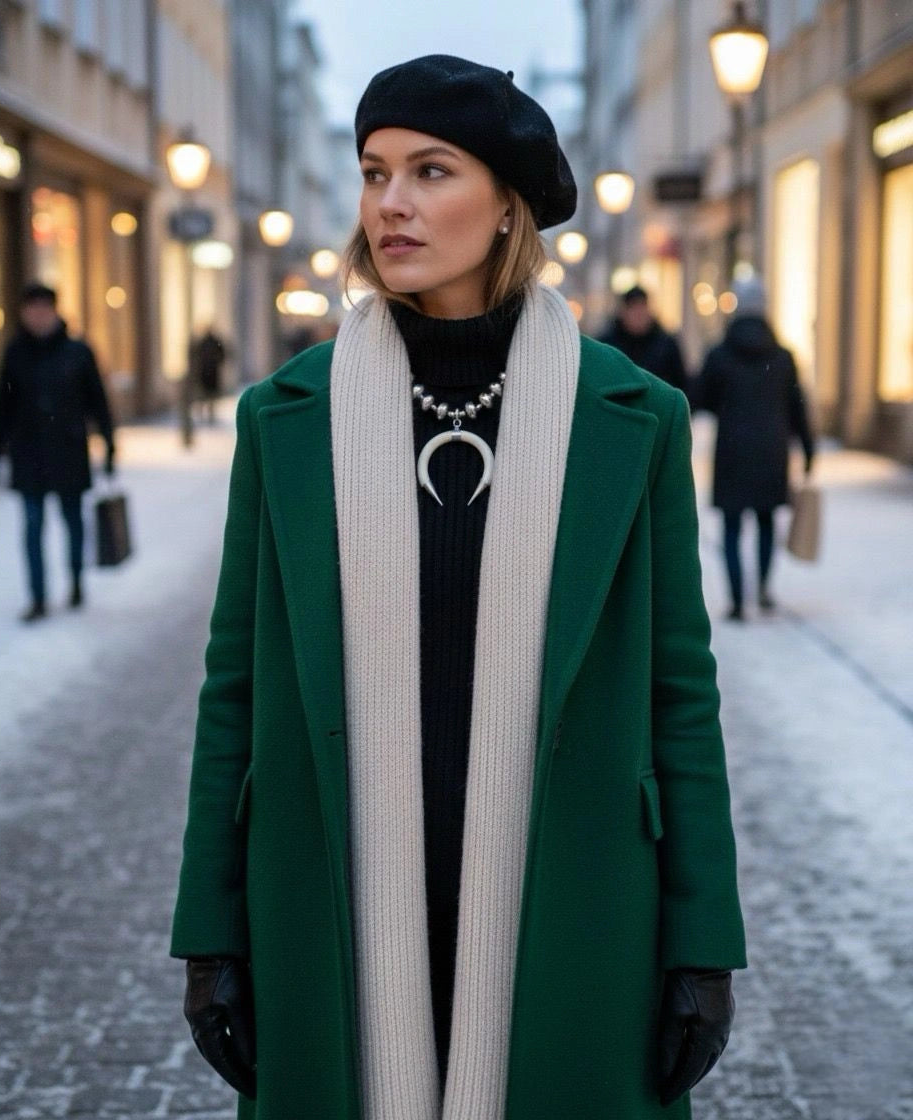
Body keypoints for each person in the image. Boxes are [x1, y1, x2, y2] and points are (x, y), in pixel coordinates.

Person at [171, 55, 746, 1120]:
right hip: (333, 892)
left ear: (506, 207)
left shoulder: (633, 419)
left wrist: (703, 941)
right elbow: (232, 693)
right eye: (375, 170)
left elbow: (679, 697)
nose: (391, 201)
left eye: (431, 171)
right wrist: (209, 929)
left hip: (567, 900)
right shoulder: (283, 418)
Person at [0, 282, 115, 621]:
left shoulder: (77, 351)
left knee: (73, 521)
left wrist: (109, 442)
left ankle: (75, 582)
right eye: (32, 309)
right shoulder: (15, 353)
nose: (38, 316)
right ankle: (39, 597)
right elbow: (3, 406)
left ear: (55, 311)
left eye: (44, 308)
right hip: (28, 455)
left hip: (68, 451)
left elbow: (97, 401)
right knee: (32, 526)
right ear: (23, 313)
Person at [693, 275, 814, 621]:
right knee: (765, 522)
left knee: (731, 527)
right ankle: (761, 589)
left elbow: (701, 398)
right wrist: (807, 449)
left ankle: (735, 600)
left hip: (732, 450)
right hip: (771, 450)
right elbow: (798, 406)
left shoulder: (719, 355)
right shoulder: (783, 357)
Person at [599, 284, 688, 393]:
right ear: (623, 312)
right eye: (633, 308)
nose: (639, 314)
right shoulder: (607, 345)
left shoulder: (666, 345)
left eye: (642, 307)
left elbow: (681, 383)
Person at [189, 327, 227, 424]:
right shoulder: (206, 342)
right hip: (207, 371)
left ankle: (208, 413)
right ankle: (207, 413)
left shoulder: (206, 342)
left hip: (208, 371)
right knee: (206, 394)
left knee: (207, 394)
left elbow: (223, 354)